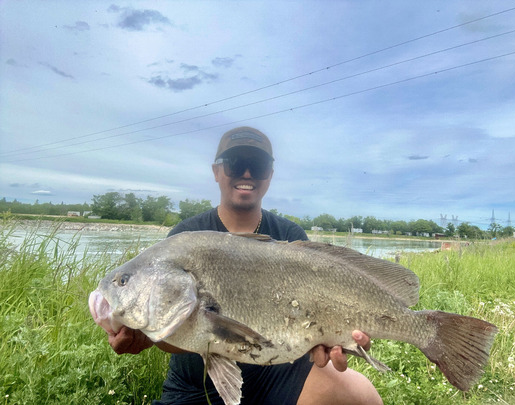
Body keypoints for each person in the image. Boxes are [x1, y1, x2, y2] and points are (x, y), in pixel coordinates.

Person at [108, 127, 383, 405]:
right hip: (195, 386)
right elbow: (178, 327)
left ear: (270, 176)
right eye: (236, 163)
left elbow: (319, 313)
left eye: (258, 166)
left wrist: (332, 338)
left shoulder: (290, 236)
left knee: (361, 396)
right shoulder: (183, 240)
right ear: (217, 171)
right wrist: (145, 337)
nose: (247, 174)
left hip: (280, 373)